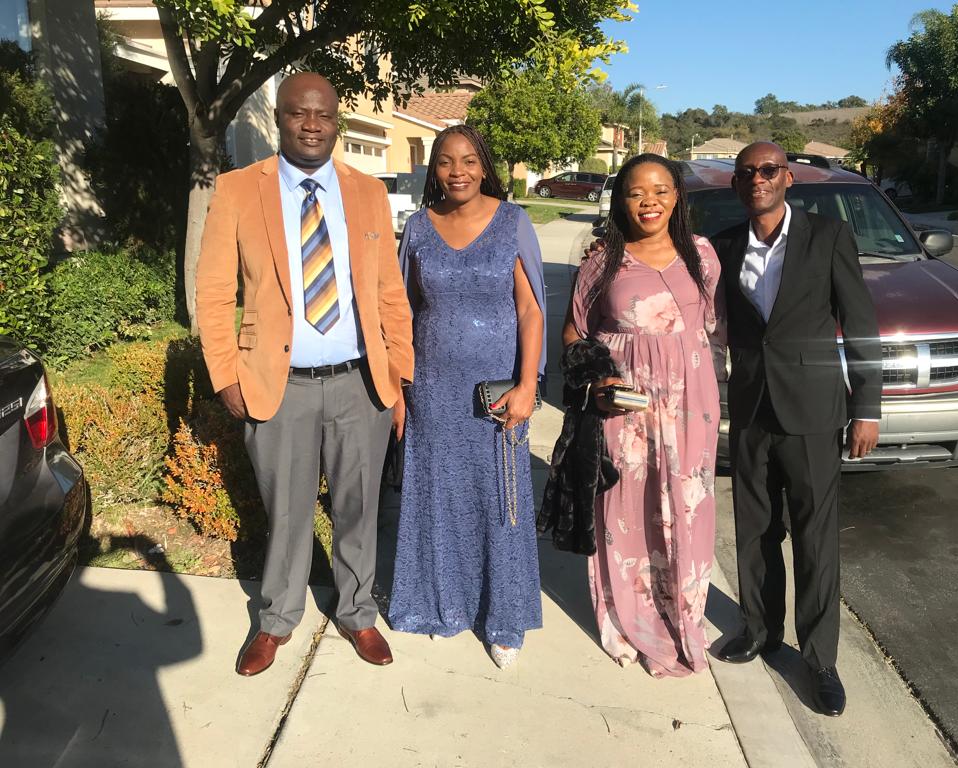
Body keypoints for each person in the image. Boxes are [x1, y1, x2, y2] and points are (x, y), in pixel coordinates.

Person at [196, 72, 413, 676]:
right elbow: (213, 291)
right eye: (299, 113)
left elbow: (389, 291)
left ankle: (357, 613)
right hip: (279, 384)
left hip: (360, 384)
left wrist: (399, 374)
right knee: (287, 514)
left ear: (336, 122)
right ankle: (275, 620)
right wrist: (225, 375)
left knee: (358, 508)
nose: (312, 125)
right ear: (279, 117)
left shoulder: (366, 192)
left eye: (323, 115)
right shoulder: (239, 189)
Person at [713, 142, 881, 717]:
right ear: (737, 184)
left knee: (815, 537)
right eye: (746, 173)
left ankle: (820, 661)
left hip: (813, 411)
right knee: (754, 529)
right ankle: (759, 630)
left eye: (768, 170)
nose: (757, 179)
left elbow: (859, 321)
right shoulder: (724, 246)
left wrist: (867, 408)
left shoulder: (827, 236)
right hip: (751, 409)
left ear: (787, 178)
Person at [387, 125, 546, 669]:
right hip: (431, 388)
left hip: (497, 391)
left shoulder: (512, 221)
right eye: (446, 161)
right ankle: (443, 604)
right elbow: (402, 311)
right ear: (433, 169)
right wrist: (399, 390)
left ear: (484, 167)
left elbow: (530, 310)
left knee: (500, 498)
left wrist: (528, 385)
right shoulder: (418, 228)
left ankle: (504, 619)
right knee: (438, 497)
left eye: (469, 160)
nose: (458, 171)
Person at [564, 153, 725, 678]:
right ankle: (628, 617)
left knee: (686, 508)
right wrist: (597, 381)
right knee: (625, 509)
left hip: (690, 406)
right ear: (620, 200)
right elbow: (575, 332)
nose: (648, 201)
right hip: (624, 408)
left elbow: (711, 330)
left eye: (660, 190)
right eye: (636, 192)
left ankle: (682, 617)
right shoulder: (602, 261)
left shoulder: (702, 255)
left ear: (677, 196)